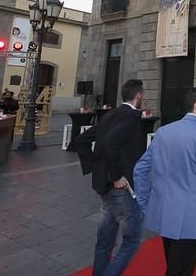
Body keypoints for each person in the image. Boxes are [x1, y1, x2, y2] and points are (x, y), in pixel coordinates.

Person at [134, 87, 196, 276]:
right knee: (181, 270)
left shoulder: (164, 131)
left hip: (165, 214)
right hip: (190, 220)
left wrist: (145, 205)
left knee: (174, 268)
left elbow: (140, 169)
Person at [76, 79, 146, 276]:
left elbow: (82, 140)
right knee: (131, 241)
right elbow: (109, 144)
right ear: (138, 95)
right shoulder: (132, 116)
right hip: (118, 188)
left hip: (103, 186)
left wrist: (95, 168)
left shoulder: (111, 114)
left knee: (105, 239)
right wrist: (116, 175)